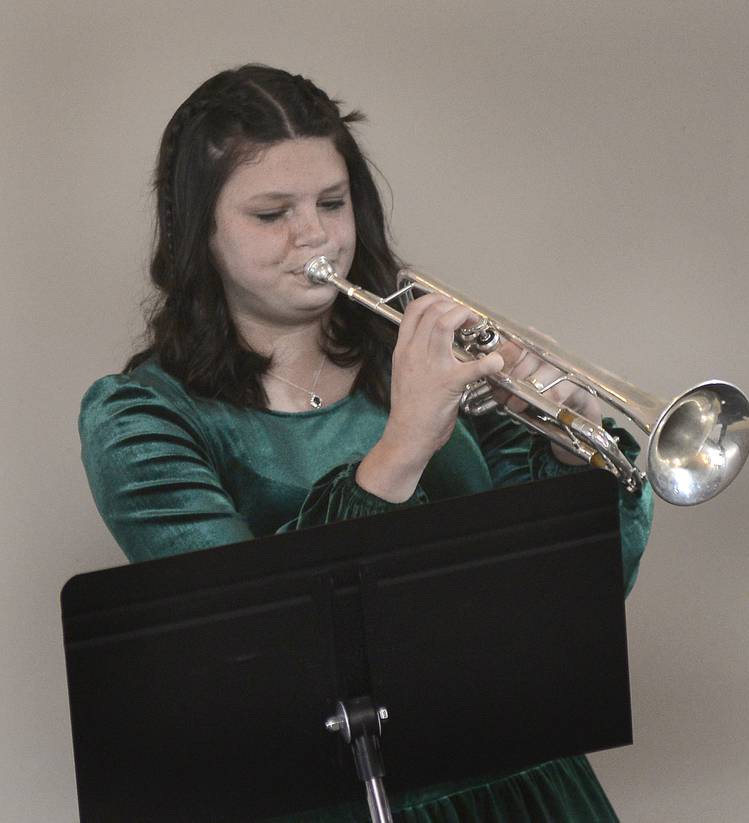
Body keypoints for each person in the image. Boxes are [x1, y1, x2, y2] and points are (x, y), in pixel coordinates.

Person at [79, 64, 653, 822]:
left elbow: (574, 600)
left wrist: (571, 455)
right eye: (270, 213)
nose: (313, 234)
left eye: (331, 202)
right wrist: (406, 441)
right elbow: (264, 647)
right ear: (200, 235)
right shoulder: (143, 417)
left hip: (526, 787)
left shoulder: (421, 351)